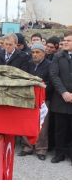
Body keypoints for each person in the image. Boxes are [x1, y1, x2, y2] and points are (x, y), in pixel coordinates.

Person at [18, 43, 52, 160]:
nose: (35, 55)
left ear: (43, 53)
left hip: (43, 99)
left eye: (38, 52)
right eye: (33, 52)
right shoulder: (28, 64)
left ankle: (41, 149)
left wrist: (40, 87)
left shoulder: (49, 65)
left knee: (42, 125)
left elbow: (51, 82)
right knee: (26, 122)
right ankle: (27, 147)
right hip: (28, 98)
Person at [49, 31, 72, 165]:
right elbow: (54, 75)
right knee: (60, 129)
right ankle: (59, 154)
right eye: (65, 40)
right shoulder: (57, 56)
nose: (65, 43)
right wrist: (64, 92)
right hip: (61, 99)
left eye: (69, 41)